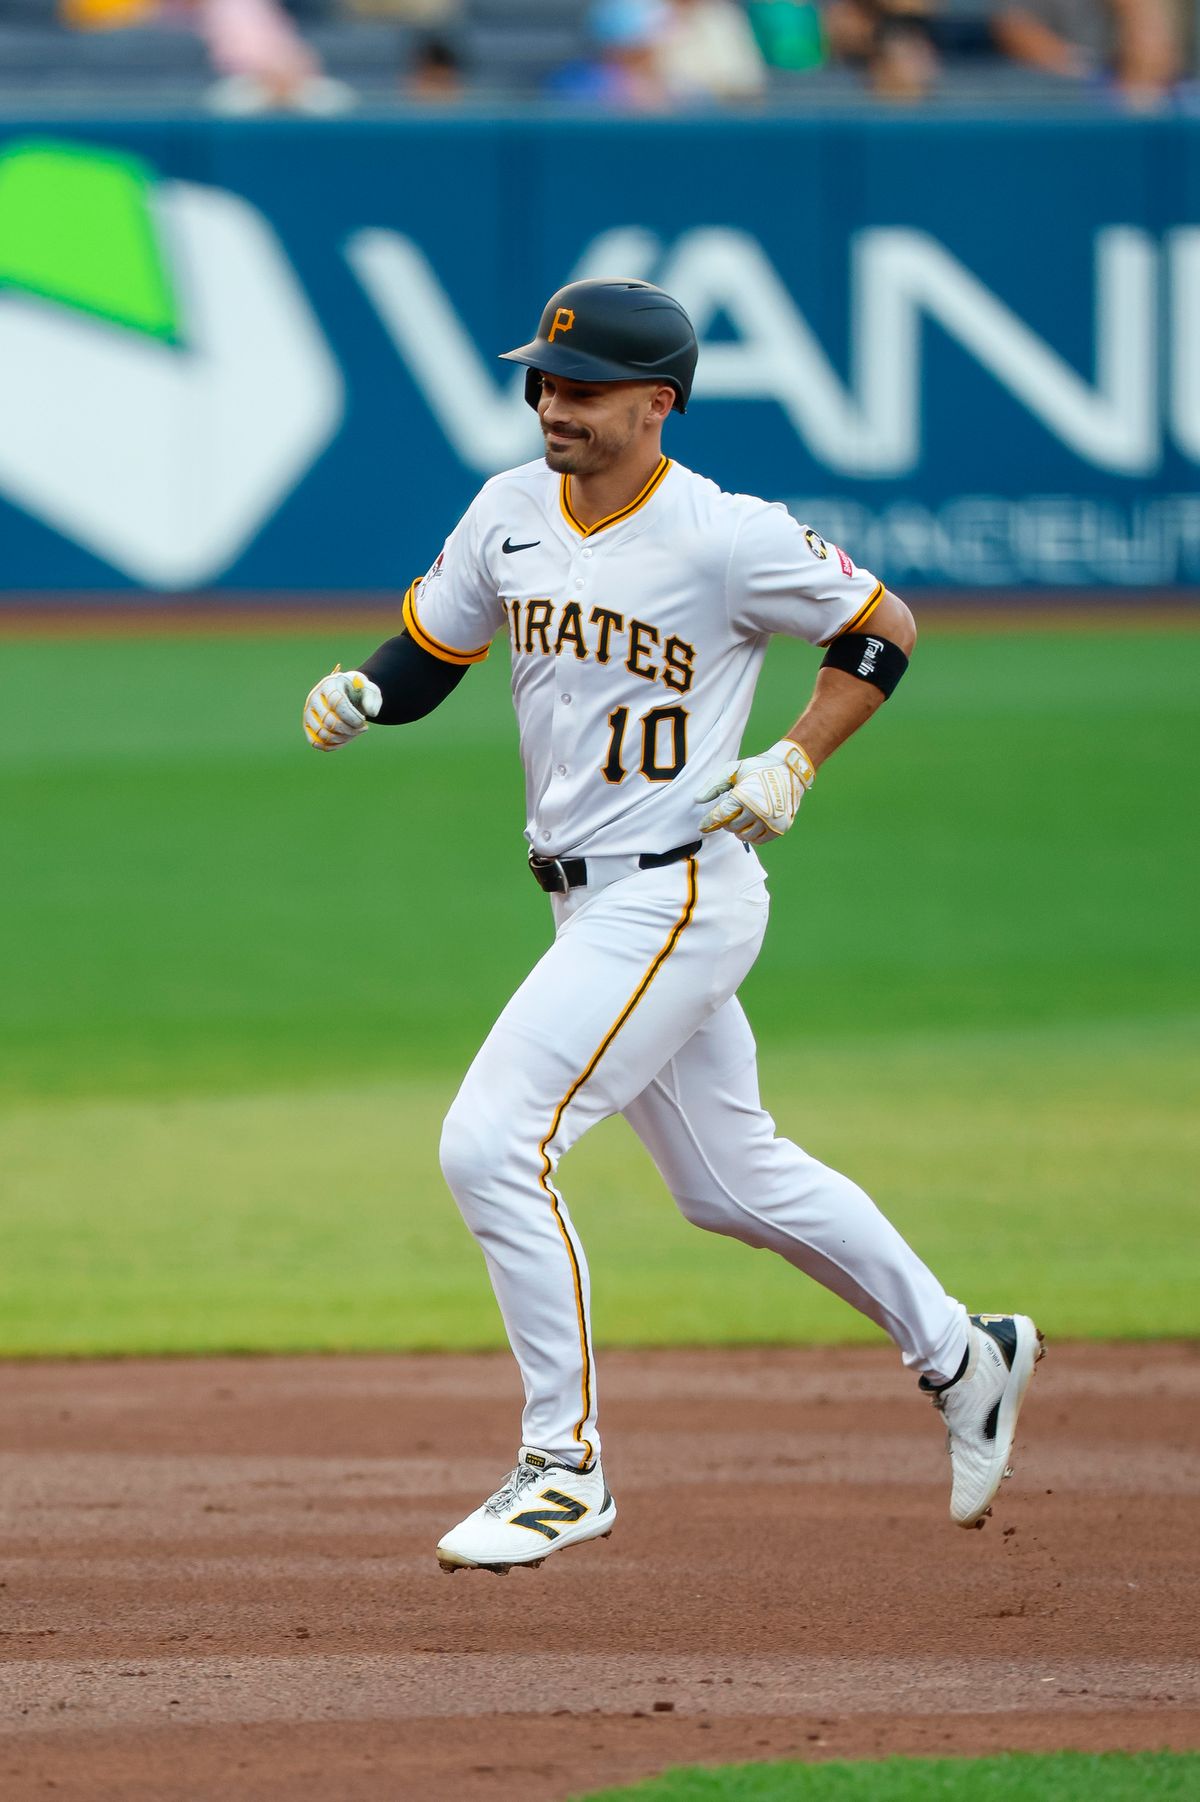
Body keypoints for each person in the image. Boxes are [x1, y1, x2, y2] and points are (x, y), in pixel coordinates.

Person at [302, 280, 1043, 1574]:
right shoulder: (509, 510)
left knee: (489, 1143)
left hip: (679, 886)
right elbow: (436, 649)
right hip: (583, 896)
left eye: (583, 390)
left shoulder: (724, 535)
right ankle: (964, 1352)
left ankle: (562, 1463)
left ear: (661, 404)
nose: (553, 405)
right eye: (543, 380)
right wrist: (368, 684)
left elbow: (884, 630)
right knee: (730, 1178)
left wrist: (797, 759)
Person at [988, 0, 1180, 105]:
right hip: (1041, 100)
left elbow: (1154, 54)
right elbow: (1013, 29)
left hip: (1110, 100)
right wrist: (1089, 80)